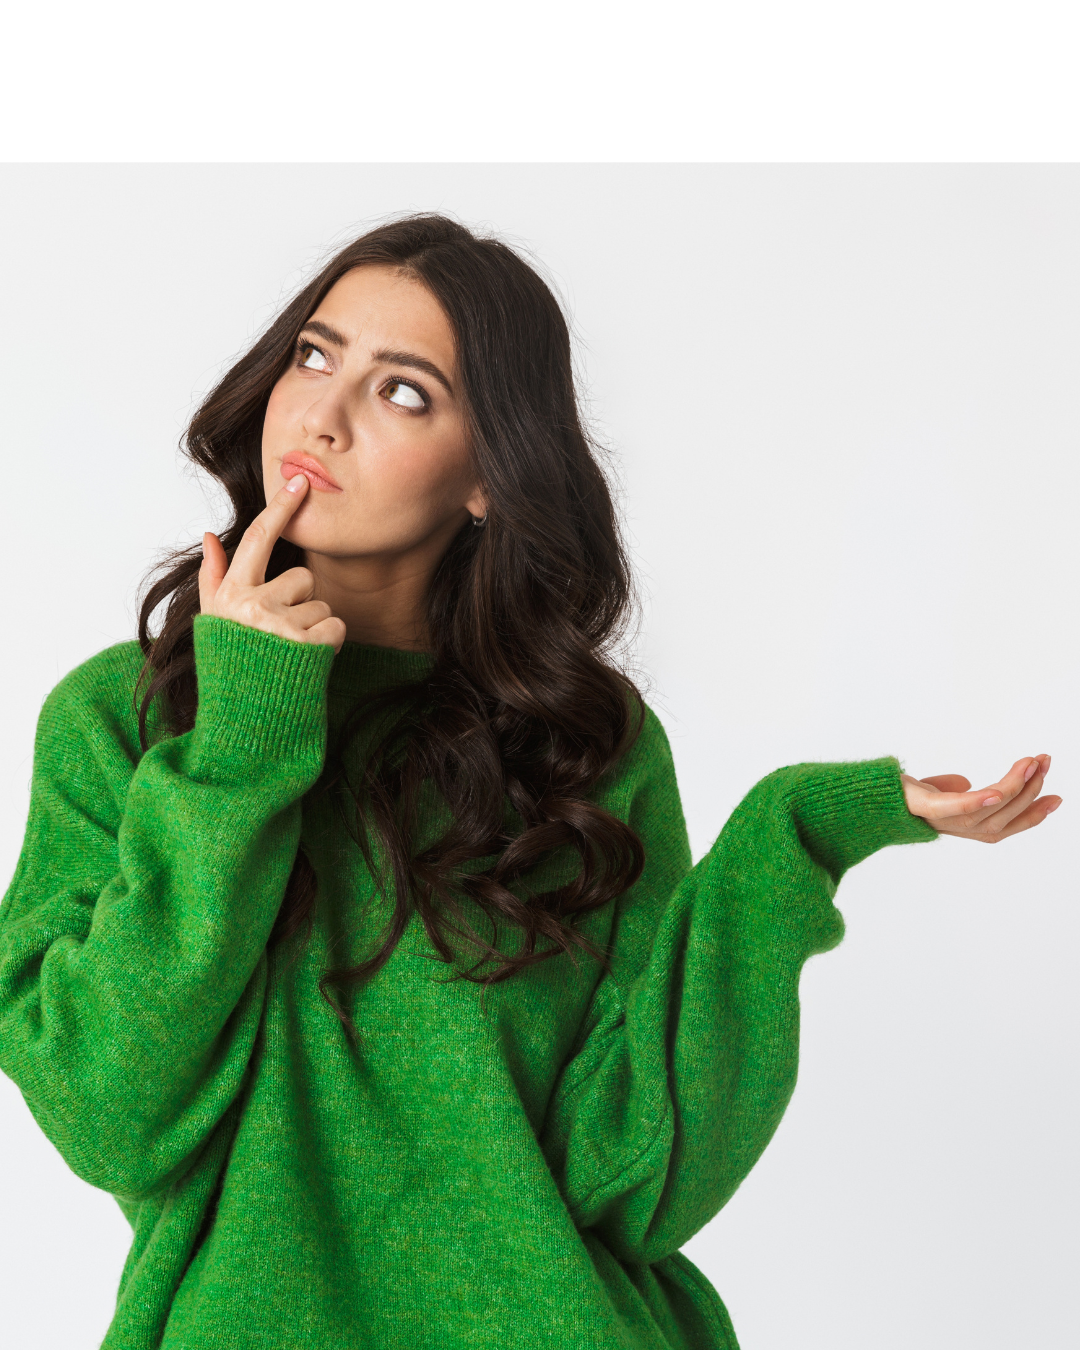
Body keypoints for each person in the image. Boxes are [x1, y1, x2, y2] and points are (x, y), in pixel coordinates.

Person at [0, 213, 1059, 1350]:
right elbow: (109, 1111)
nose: (323, 413)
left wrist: (791, 839)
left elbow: (633, 1181)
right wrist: (247, 729)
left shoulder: (580, 746)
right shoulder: (128, 718)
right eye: (314, 355)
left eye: (403, 392)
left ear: (488, 480)